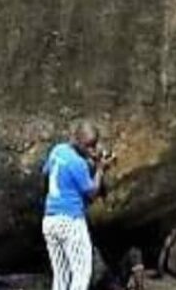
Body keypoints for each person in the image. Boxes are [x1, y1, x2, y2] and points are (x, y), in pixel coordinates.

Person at [42, 121, 115, 290]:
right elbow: (92, 192)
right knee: (81, 275)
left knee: (61, 276)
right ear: (77, 140)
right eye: (89, 146)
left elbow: (46, 173)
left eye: (94, 145)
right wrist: (100, 169)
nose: (92, 150)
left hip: (50, 219)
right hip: (71, 221)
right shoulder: (78, 163)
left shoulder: (58, 150)